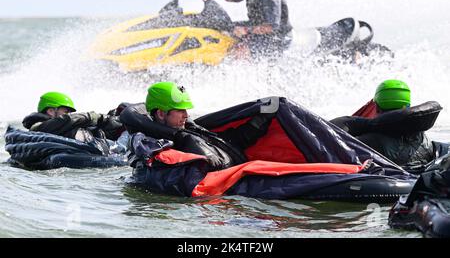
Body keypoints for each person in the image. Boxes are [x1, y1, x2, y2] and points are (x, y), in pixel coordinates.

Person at [119, 82, 275, 170]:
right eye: (180, 111)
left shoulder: (189, 129)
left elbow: (230, 140)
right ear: (160, 114)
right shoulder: (153, 144)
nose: (186, 116)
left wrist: (262, 119)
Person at [331, 80, 448, 172]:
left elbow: (334, 150)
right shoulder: (423, 137)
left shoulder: (371, 140)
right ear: (407, 105)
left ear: (376, 107)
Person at [22, 91, 125, 154]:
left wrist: (112, 119)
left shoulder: (62, 127)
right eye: (66, 111)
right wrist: (94, 117)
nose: (69, 114)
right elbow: (65, 120)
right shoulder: (39, 127)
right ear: (51, 111)